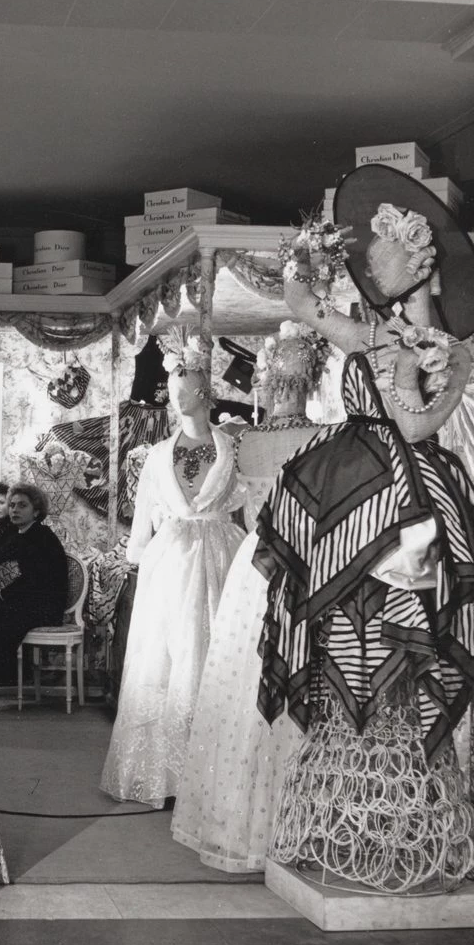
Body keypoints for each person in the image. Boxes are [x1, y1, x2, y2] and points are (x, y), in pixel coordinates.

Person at [256, 164, 474, 890]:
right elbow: (302, 302)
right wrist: (307, 254)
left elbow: (415, 426)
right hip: (351, 483)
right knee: (346, 628)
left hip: (397, 496)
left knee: (388, 629)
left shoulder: (421, 342)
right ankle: (359, 807)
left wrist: (452, 376)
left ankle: (390, 812)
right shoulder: (376, 330)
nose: (369, 261)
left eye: (383, 251)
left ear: (417, 263)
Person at [171, 323, 327, 872]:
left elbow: (230, 501)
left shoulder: (243, 440)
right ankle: (294, 820)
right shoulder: (322, 438)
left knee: (252, 681)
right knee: (291, 676)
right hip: (306, 561)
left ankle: (251, 819)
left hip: (259, 564)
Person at [100, 333, 245, 806]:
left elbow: (250, 509)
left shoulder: (233, 447)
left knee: (212, 652)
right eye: (172, 386)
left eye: (185, 386)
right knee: (164, 657)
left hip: (221, 555)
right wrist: (137, 555)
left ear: (204, 391)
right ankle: (161, 774)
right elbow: (144, 513)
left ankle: (211, 778)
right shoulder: (158, 454)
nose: (176, 395)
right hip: (169, 563)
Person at [0, 483, 68, 711]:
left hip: (45, 606)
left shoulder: (42, 537)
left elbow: (37, 584)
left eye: (22, 505)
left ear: (36, 511)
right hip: (28, 601)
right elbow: (6, 550)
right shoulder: (24, 534)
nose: (14, 510)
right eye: (12, 505)